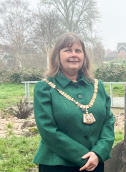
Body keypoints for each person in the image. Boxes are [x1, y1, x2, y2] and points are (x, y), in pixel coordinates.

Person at [33, 32, 115, 172]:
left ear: (84, 56)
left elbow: (108, 122)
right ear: (57, 55)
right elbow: (47, 130)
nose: (74, 54)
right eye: (67, 50)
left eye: (78, 50)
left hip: (95, 163)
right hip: (57, 165)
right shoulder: (44, 88)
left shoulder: (97, 86)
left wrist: (98, 153)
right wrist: (82, 156)